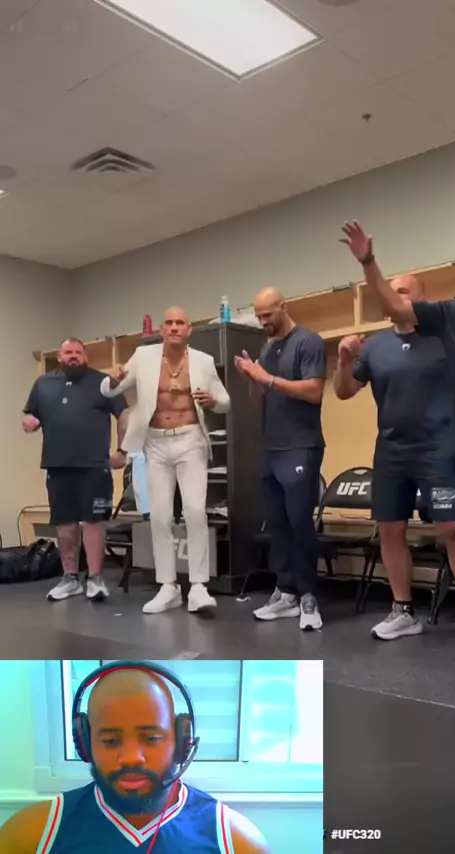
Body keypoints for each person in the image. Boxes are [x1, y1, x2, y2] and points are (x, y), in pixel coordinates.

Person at [340, 220, 455, 681]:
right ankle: (403, 610)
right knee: (391, 528)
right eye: (393, 291)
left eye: (405, 292)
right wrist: (344, 360)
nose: (396, 298)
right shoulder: (380, 346)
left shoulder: (445, 335)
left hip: (442, 451)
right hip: (392, 453)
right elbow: (344, 391)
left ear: (421, 299)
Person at [0, 663, 270, 854]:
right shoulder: (32, 836)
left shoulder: (234, 841)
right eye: (110, 741)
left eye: (151, 738)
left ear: (180, 742)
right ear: (86, 743)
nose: (131, 758)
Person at [101, 307, 230, 616]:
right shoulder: (143, 357)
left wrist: (214, 401)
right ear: (162, 329)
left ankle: (198, 587)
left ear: (189, 329)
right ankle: (168, 586)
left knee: (195, 511)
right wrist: (111, 379)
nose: (174, 327)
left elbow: (225, 401)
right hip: (155, 443)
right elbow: (110, 390)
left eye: (180, 323)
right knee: (160, 516)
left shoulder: (203, 360)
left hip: (190, 439)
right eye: (169, 323)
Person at [235, 287, 325, 630]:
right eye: (258, 316)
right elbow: (260, 399)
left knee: (299, 521)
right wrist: (253, 380)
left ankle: (308, 596)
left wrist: (267, 378)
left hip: (301, 445)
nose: (263, 322)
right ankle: (286, 592)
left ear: (283, 307)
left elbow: (314, 391)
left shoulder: (308, 342)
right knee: (277, 522)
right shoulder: (267, 347)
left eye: (267, 315)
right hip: (271, 448)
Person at [22, 337, 128, 602]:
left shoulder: (103, 383)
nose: (73, 356)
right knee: (65, 525)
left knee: (93, 522)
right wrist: (30, 422)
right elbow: (31, 414)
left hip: (94, 466)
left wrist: (123, 451)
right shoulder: (43, 384)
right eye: (68, 352)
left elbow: (124, 416)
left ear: (85, 356)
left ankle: (95, 579)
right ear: (60, 357)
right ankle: (70, 579)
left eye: (78, 352)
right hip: (57, 466)